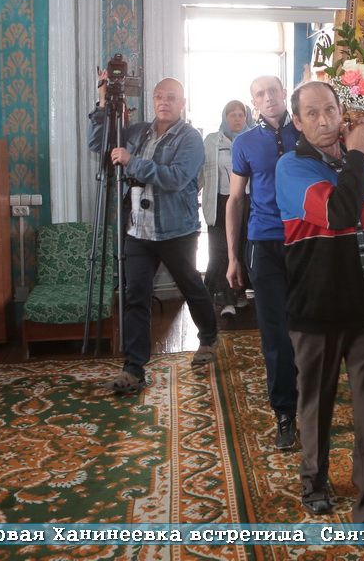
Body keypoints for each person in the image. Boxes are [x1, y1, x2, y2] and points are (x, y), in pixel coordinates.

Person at [275, 81, 364, 560]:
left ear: (342, 112)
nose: (323, 120)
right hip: (316, 311)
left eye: (330, 110)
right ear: (298, 122)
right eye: (312, 113)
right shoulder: (291, 167)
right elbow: (338, 213)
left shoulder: (362, 162)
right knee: (315, 404)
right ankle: (313, 479)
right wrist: (358, 156)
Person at [87, 75, 217, 395]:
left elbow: (175, 178)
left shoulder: (190, 138)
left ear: (182, 103)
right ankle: (134, 368)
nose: (164, 102)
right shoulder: (139, 131)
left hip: (176, 230)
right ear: (153, 100)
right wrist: (102, 102)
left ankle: (208, 337)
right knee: (135, 295)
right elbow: (99, 144)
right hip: (138, 230)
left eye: (171, 97)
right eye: (159, 96)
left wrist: (132, 162)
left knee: (191, 286)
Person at [226, 75, 301, 449]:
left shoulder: (306, 128)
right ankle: (285, 412)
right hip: (264, 241)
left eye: (273, 91)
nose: (268, 98)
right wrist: (232, 257)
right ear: (253, 101)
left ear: (284, 93)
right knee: (274, 331)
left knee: (310, 324)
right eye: (260, 94)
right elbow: (236, 200)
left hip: (307, 239)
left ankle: (315, 391)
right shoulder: (245, 142)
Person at [201, 100, 253, 318]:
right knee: (221, 250)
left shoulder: (253, 139)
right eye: (232, 115)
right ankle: (225, 299)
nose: (237, 119)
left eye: (241, 114)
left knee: (242, 249)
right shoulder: (212, 140)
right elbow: (202, 171)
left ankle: (239, 292)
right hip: (220, 202)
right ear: (225, 117)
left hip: (247, 201)